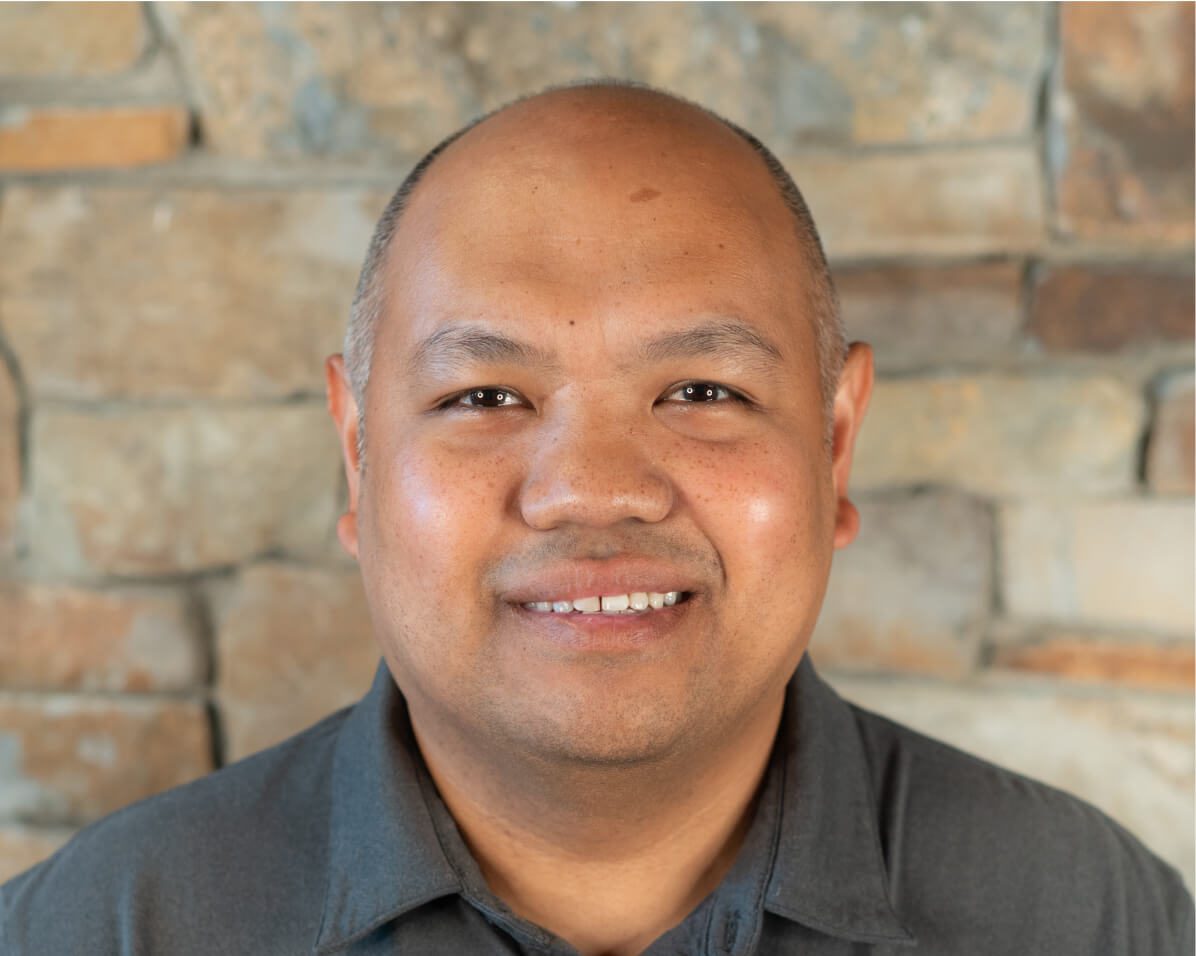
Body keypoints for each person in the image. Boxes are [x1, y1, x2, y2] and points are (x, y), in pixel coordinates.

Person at [1, 81, 1191, 956]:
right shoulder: (107, 926)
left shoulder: (1085, 916)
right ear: (357, 455)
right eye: (484, 396)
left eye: (701, 392)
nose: (591, 486)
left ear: (832, 445)